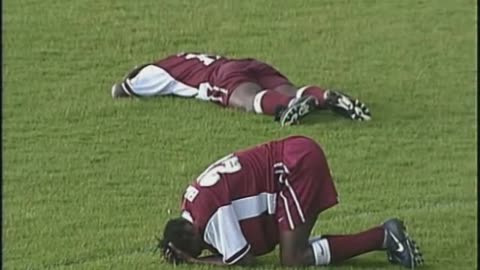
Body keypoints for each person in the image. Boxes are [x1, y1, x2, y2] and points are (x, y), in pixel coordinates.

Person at [157, 136, 423, 268]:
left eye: (197, 247)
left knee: (293, 257)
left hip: (295, 168)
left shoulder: (207, 215)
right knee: (292, 249)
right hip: (293, 158)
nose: (204, 249)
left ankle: (386, 236)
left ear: (191, 233)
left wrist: (199, 263)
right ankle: (384, 236)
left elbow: (245, 260)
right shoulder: (191, 202)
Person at [111, 53, 371, 126]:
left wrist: (132, 78)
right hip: (244, 62)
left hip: (221, 75)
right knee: (292, 89)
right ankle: (323, 96)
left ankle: (284, 107)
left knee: (247, 99)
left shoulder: (152, 72)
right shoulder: (183, 58)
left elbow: (119, 90)